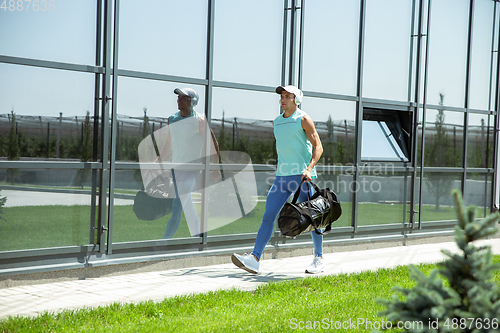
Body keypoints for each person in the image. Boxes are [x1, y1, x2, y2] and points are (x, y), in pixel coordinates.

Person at [231, 85, 324, 274]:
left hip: (302, 177)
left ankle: (319, 258)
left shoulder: (303, 119)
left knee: (312, 217)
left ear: (296, 100)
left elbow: (318, 146)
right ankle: (255, 259)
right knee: (268, 216)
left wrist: (309, 169)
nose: (283, 99)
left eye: (288, 96)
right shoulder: (277, 122)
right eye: (282, 96)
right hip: (282, 177)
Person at [156, 87, 219, 239]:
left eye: (183, 98)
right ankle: (198, 237)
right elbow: (169, 142)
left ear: (193, 101)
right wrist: (159, 160)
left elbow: (213, 144)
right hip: (176, 170)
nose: (179, 100)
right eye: (178, 98)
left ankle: (163, 244)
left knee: (178, 204)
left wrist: (215, 168)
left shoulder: (200, 121)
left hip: (191, 170)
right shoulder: (172, 118)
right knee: (187, 205)